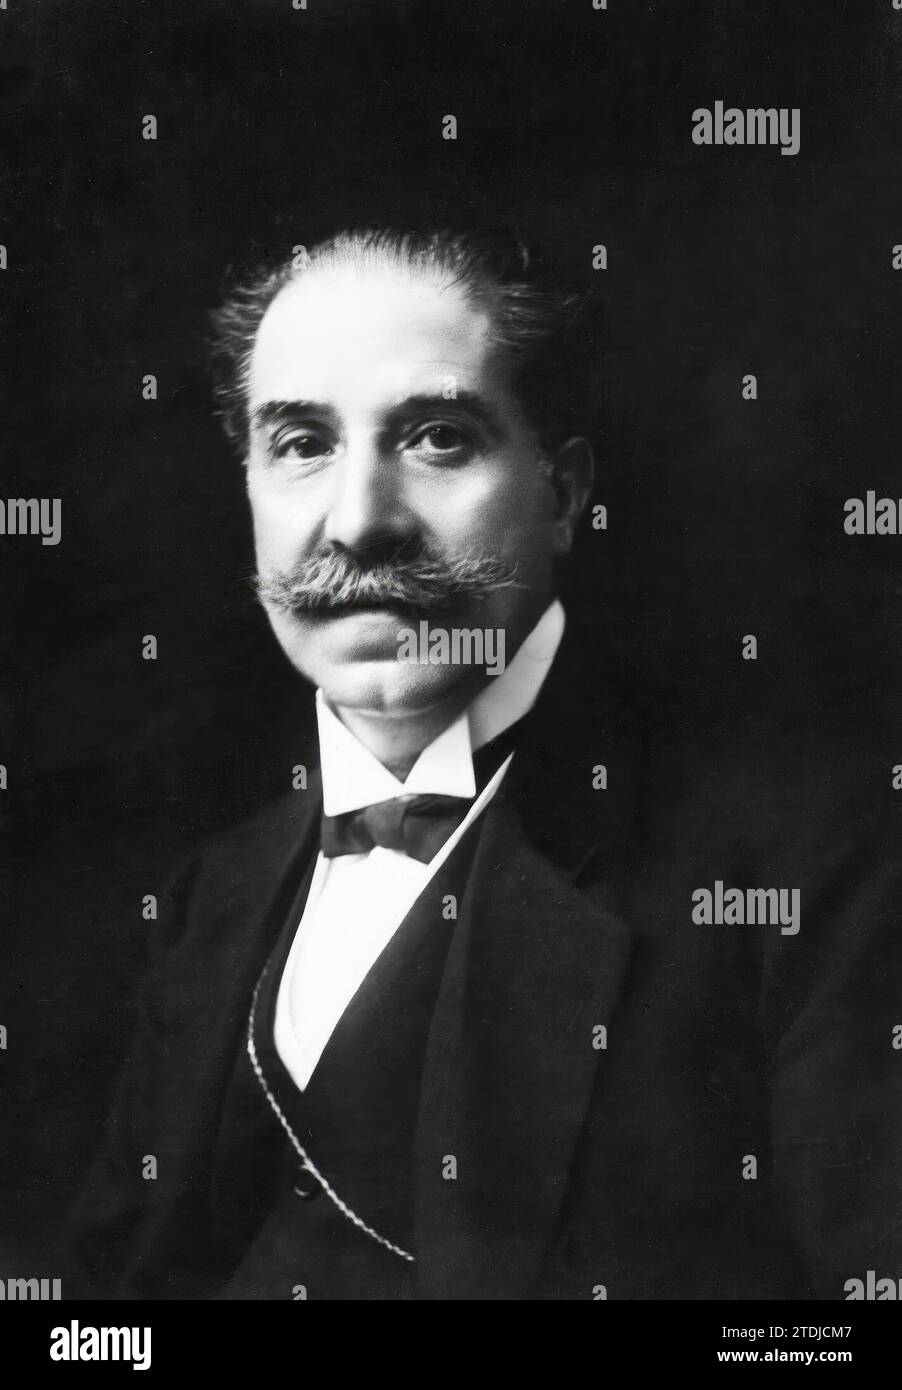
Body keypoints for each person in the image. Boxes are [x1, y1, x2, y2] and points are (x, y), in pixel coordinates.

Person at [67, 226, 901, 1300]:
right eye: (302, 444)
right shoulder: (209, 898)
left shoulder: (812, 869)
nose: (359, 523)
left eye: (435, 439)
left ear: (562, 494)